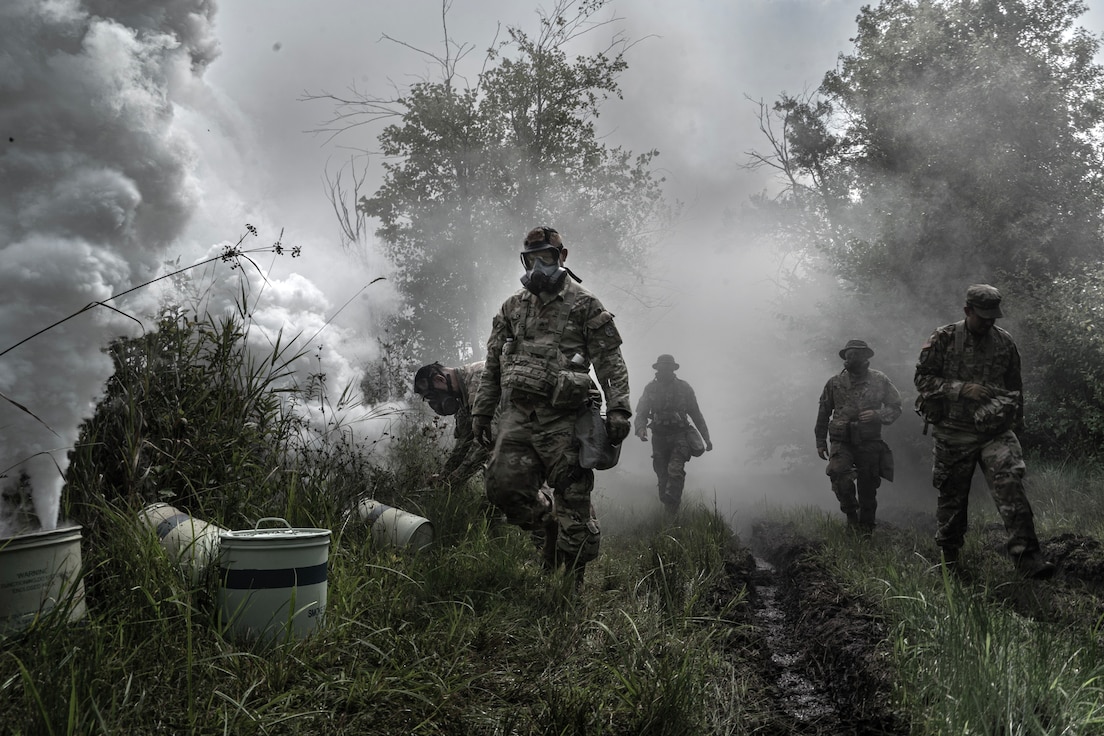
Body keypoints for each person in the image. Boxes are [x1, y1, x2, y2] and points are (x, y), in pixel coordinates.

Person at [471, 226, 632, 587]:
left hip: (566, 419)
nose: (539, 265)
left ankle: (570, 584)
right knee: (502, 488)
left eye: (546, 257)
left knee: (573, 495)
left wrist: (618, 408)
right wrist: (481, 411)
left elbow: (610, 360)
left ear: (562, 256)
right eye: (532, 259)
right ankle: (548, 525)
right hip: (518, 417)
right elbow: (493, 362)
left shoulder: (585, 304)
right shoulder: (512, 306)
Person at [914, 284, 1055, 578]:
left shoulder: (1004, 342)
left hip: (995, 432)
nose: (989, 322)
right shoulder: (943, 338)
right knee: (952, 500)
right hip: (953, 432)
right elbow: (922, 380)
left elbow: (1015, 388)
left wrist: (1017, 427)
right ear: (968, 310)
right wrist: (962, 388)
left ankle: (1028, 560)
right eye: (983, 316)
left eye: (993, 317)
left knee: (1012, 487)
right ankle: (949, 560)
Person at [814, 339, 902, 536]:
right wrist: (820, 441)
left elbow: (896, 406)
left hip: (869, 441)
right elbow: (823, 412)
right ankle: (851, 518)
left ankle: (866, 529)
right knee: (839, 474)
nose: (849, 358)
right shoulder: (834, 383)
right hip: (841, 441)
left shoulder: (880, 380)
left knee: (868, 486)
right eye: (847, 355)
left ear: (864, 357)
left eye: (854, 354)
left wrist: (877, 414)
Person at [633, 354, 712, 514]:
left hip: (679, 436)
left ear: (673, 369)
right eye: (662, 368)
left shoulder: (684, 388)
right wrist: (641, 430)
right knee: (662, 477)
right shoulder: (650, 388)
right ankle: (669, 511)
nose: (665, 371)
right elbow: (641, 413)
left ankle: (672, 513)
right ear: (657, 369)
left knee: (675, 472)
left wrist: (706, 438)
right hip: (659, 438)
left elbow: (696, 414)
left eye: (668, 368)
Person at [413, 361, 489, 489]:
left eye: (431, 395)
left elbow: (484, 442)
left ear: (440, 379)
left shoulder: (479, 378)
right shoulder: (462, 396)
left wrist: (453, 481)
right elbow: (464, 441)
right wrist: (444, 476)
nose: (434, 403)